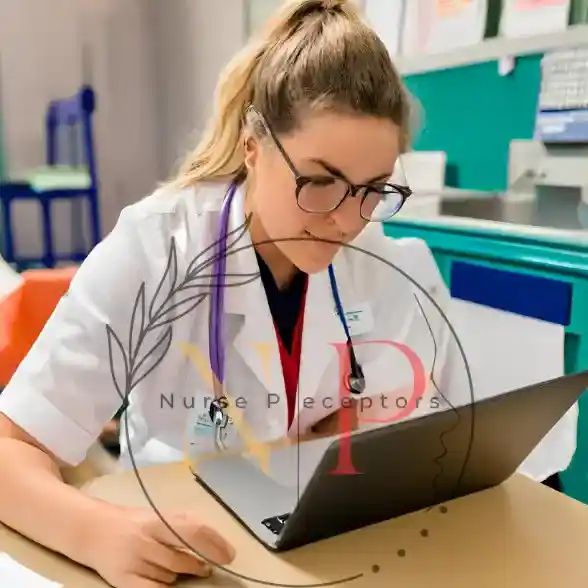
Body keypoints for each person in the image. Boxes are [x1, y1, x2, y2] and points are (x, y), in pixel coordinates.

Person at [0, 1, 572, 587]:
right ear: (254, 146)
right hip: (190, 554)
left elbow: (432, 438)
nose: (348, 221)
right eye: (320, 182)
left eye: (372, 189)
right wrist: (97, 533)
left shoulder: (387, 266)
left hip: (341, 547)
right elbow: (10, 449)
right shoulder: (155, 250)